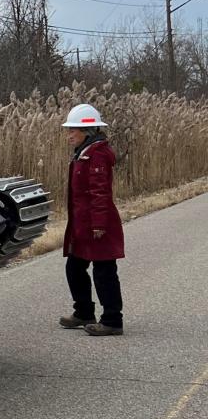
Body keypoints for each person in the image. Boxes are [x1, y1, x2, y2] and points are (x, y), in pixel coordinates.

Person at [60, 103, 125, 336]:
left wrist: (99, 224)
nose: (69, 135)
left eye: (73, 130)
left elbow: (100, 193)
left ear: (87, 131)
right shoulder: (84, 153)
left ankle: (112, 320)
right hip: (82, 224)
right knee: (74, 267)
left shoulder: (96, 155)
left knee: (104, 270)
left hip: (97, 225)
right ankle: (84, 312)